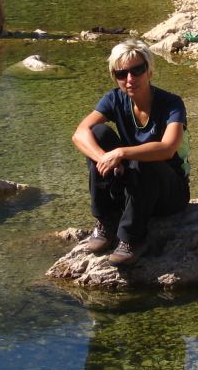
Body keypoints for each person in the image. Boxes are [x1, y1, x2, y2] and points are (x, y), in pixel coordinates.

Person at [72, 39, 190, 266]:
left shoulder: (172, 104)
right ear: (114, 76)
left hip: (169, 193)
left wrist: (122, 153)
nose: (130, 79)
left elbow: (167, 148)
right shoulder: (114, 99)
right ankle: (106, 221)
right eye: (122, 73)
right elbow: (80, 133)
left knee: (144, 157)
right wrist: (105, 158)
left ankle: (132, 238)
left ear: (150, 71)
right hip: (134, 184)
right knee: (98, 133)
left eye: (137, 70)